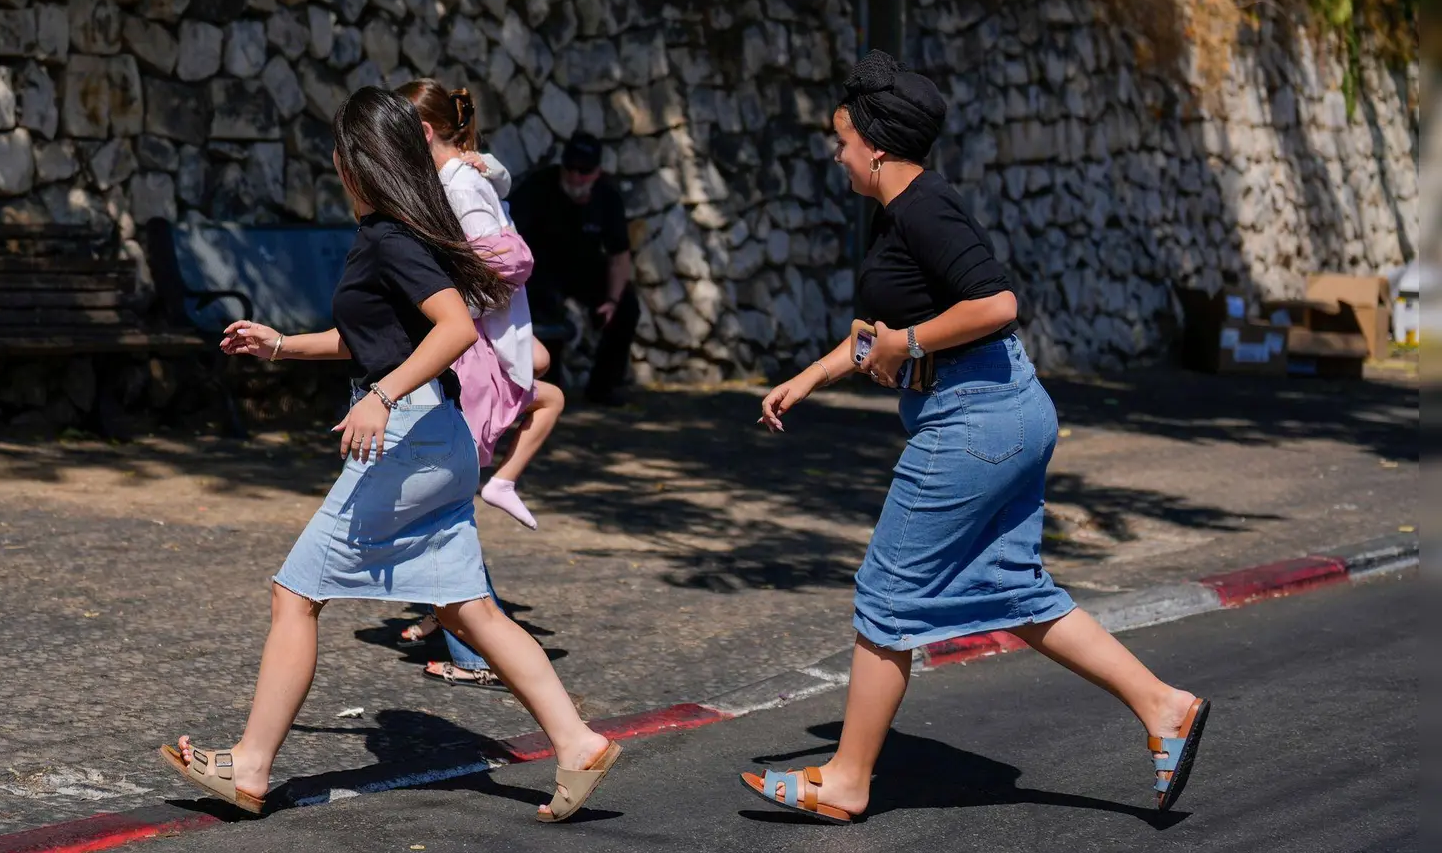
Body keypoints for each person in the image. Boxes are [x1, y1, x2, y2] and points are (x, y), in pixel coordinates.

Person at [739, 51, 1209, 824]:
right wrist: (813, 377)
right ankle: (1166, 707)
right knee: (1010, 588)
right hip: (1000, 407)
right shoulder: (904, 212)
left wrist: (909, 344)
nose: (838, 152)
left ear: (878, 148)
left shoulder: (926, 208)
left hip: (974, 417)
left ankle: (848, 781)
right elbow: (879, 333)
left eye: (843, 138)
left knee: (885, 594)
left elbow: (995, 304)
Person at [157, 86, 620, 824]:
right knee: (467, 608)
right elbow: (374, 339)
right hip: (439, 438)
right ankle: (577, 743)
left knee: (295, 594)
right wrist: (280, 344)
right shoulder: (399, 233)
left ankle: (249, 767)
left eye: (339, 155)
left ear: (358, 163)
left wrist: (381, 396)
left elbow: (452, 331)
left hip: (408, 438)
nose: (336, 167)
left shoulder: (391, 238)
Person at [391, 78, 565, 692]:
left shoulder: (459, 182)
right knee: (444, 500)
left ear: (426, 133)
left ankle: (473, 645)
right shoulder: (458, 178)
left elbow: (510, 258)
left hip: (473, 356)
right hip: (478, 350)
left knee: (443, 505)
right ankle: (454, 626)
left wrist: (453, 302)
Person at [510, 132, 639, 406]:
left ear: (597, 173)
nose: (576, 176)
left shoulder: (607, 197)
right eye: (571, 168)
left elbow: (619, 255)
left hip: (585, 270)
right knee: (547, 311)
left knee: (627, 305)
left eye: (584, 171)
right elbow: (510, 237)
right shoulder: (538, 187)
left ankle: (603, 386)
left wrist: (612, 301)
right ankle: (546, 390)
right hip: (540, 272)